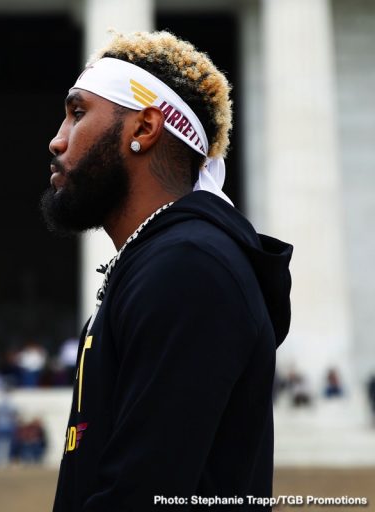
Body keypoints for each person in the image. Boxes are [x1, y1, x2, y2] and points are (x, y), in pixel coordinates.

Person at [41, 31, 293, 509]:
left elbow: (142, 494)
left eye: (77, 113)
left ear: (144, 129)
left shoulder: (189, 268)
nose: (57, 140)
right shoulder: (164, 260)